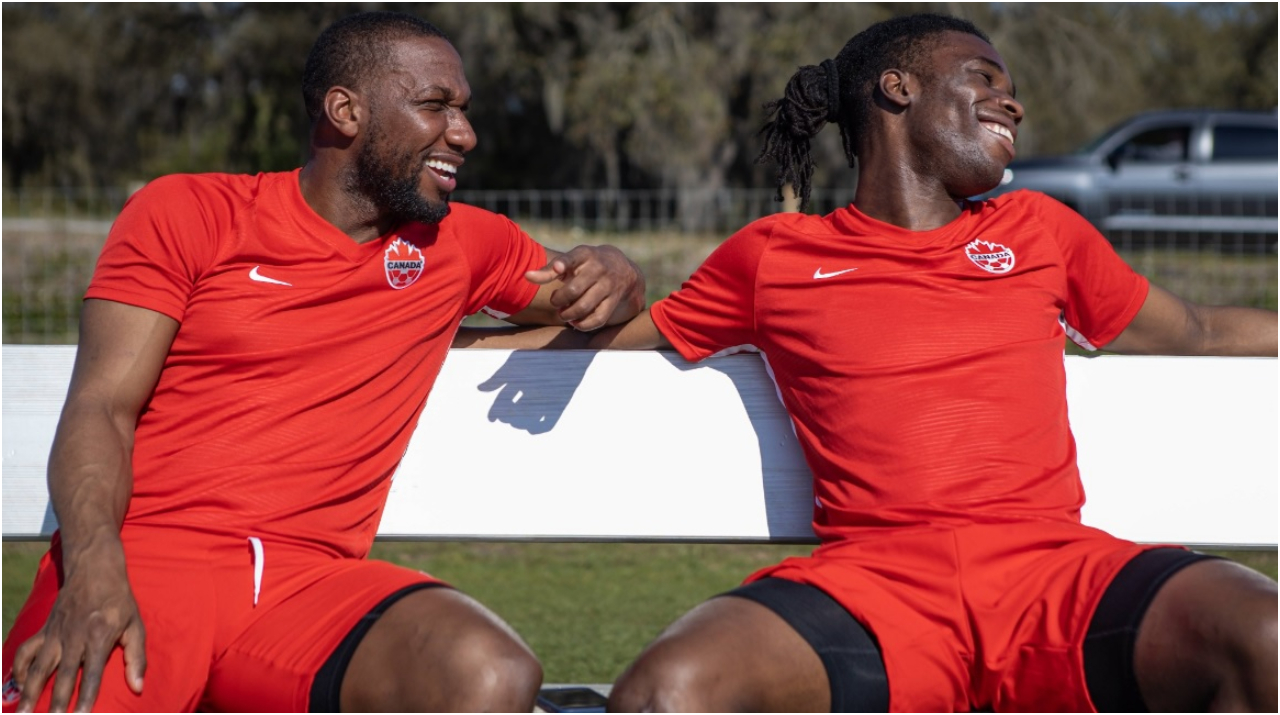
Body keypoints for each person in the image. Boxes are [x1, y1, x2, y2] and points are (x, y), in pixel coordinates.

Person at [470, 13, 1279, 713]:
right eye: (983, 79)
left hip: (1050, 575)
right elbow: (621, 337)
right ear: (897, 89)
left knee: (1266, 638)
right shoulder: (776, 256)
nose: (1014, 102)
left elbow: (1200, 329)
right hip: (878, 590)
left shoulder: (1040, 230)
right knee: (666, 693)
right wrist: (444, 343)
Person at [1, 11, 647, 714]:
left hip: (310, 587)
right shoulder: (188, 211)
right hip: (148, 564)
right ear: (346, 110)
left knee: (488, 674)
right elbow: (100, 405)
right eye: (436, 106)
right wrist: (94, 567)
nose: (464, 135)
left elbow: (588, 294)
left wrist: (618, 270)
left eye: (463, 111)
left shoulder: (460, 243)